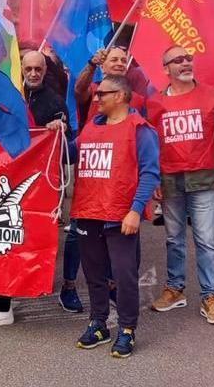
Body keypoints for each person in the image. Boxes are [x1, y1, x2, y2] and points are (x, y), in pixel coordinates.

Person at [0, 50, 70, 328]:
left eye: (39, 69)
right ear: (20, 68)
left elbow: (66, 138)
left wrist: (58, 127)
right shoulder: (9, 93)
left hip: (30, 187)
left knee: (6, 239)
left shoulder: (54, 100)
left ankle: (2, 306)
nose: (33, 73)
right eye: (29, 68)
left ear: (45, 71)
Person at [71, 75, 160, 359]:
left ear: (120, 96)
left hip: (120, 215)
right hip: (88, 211)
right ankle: (98, 324)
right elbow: (70, 153)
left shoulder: (140, 130)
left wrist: (135, 210)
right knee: (94, 274)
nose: (96, 98)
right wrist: (54, 134)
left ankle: (127, 329)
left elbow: (149, 172)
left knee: (124, 276)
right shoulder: (90, 128)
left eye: (102, 94)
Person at [146, 46, 214, 324]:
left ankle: (210, 295)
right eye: (178, 60)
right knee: (174, 239)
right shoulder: (155, 103)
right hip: (170, 182)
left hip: (204, 180)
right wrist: (154, 181)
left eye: (188, 58)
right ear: (166, 69)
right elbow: (150, 145)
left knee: (206, 241)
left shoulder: (211, 95)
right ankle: (175, 289)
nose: (186, 63)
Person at [73, 46, 152, 126]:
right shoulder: (93, 90)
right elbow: (79, 90)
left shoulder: (137, 99)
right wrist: (92, 64)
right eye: (114, 60)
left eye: (124, 61)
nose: (120, 64)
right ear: (102, 67)